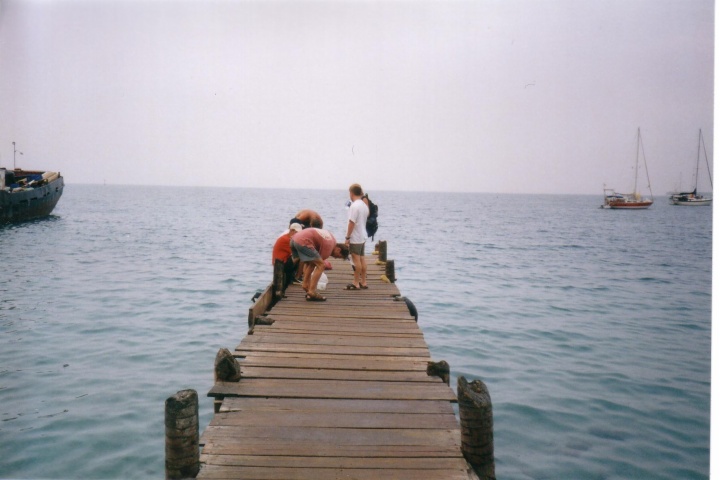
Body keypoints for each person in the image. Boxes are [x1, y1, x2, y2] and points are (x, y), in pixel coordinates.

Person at [290, 227, 349, 301]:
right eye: (338, 256)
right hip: (303, 241)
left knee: (308, 263)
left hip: (294, 239)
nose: (335, 258)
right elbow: (316, 265)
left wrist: (306, 282)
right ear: (338, 249)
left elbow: (310, 264)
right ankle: (311, 291)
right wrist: (306, 284)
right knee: (321, 265)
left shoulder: (332, 239)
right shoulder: (329, 247)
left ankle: (307, 287)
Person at [344, 183, 370, 290]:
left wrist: (347, 237)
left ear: (351, 193)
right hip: (363, 235)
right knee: (362, 259)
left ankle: (356, 283)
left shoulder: (354, 206)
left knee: (356, 260)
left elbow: (351, 222)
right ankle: (363, 281)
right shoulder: (364, 205)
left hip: (355, 237)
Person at [272, 223, 303, 289]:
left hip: (282, 261)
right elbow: (295, 252)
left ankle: (296, 276)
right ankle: (298, 277)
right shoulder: (287, 239)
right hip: (281, 264)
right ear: (292, 231)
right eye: (297, 232)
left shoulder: (288, 237)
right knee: (302, 256)